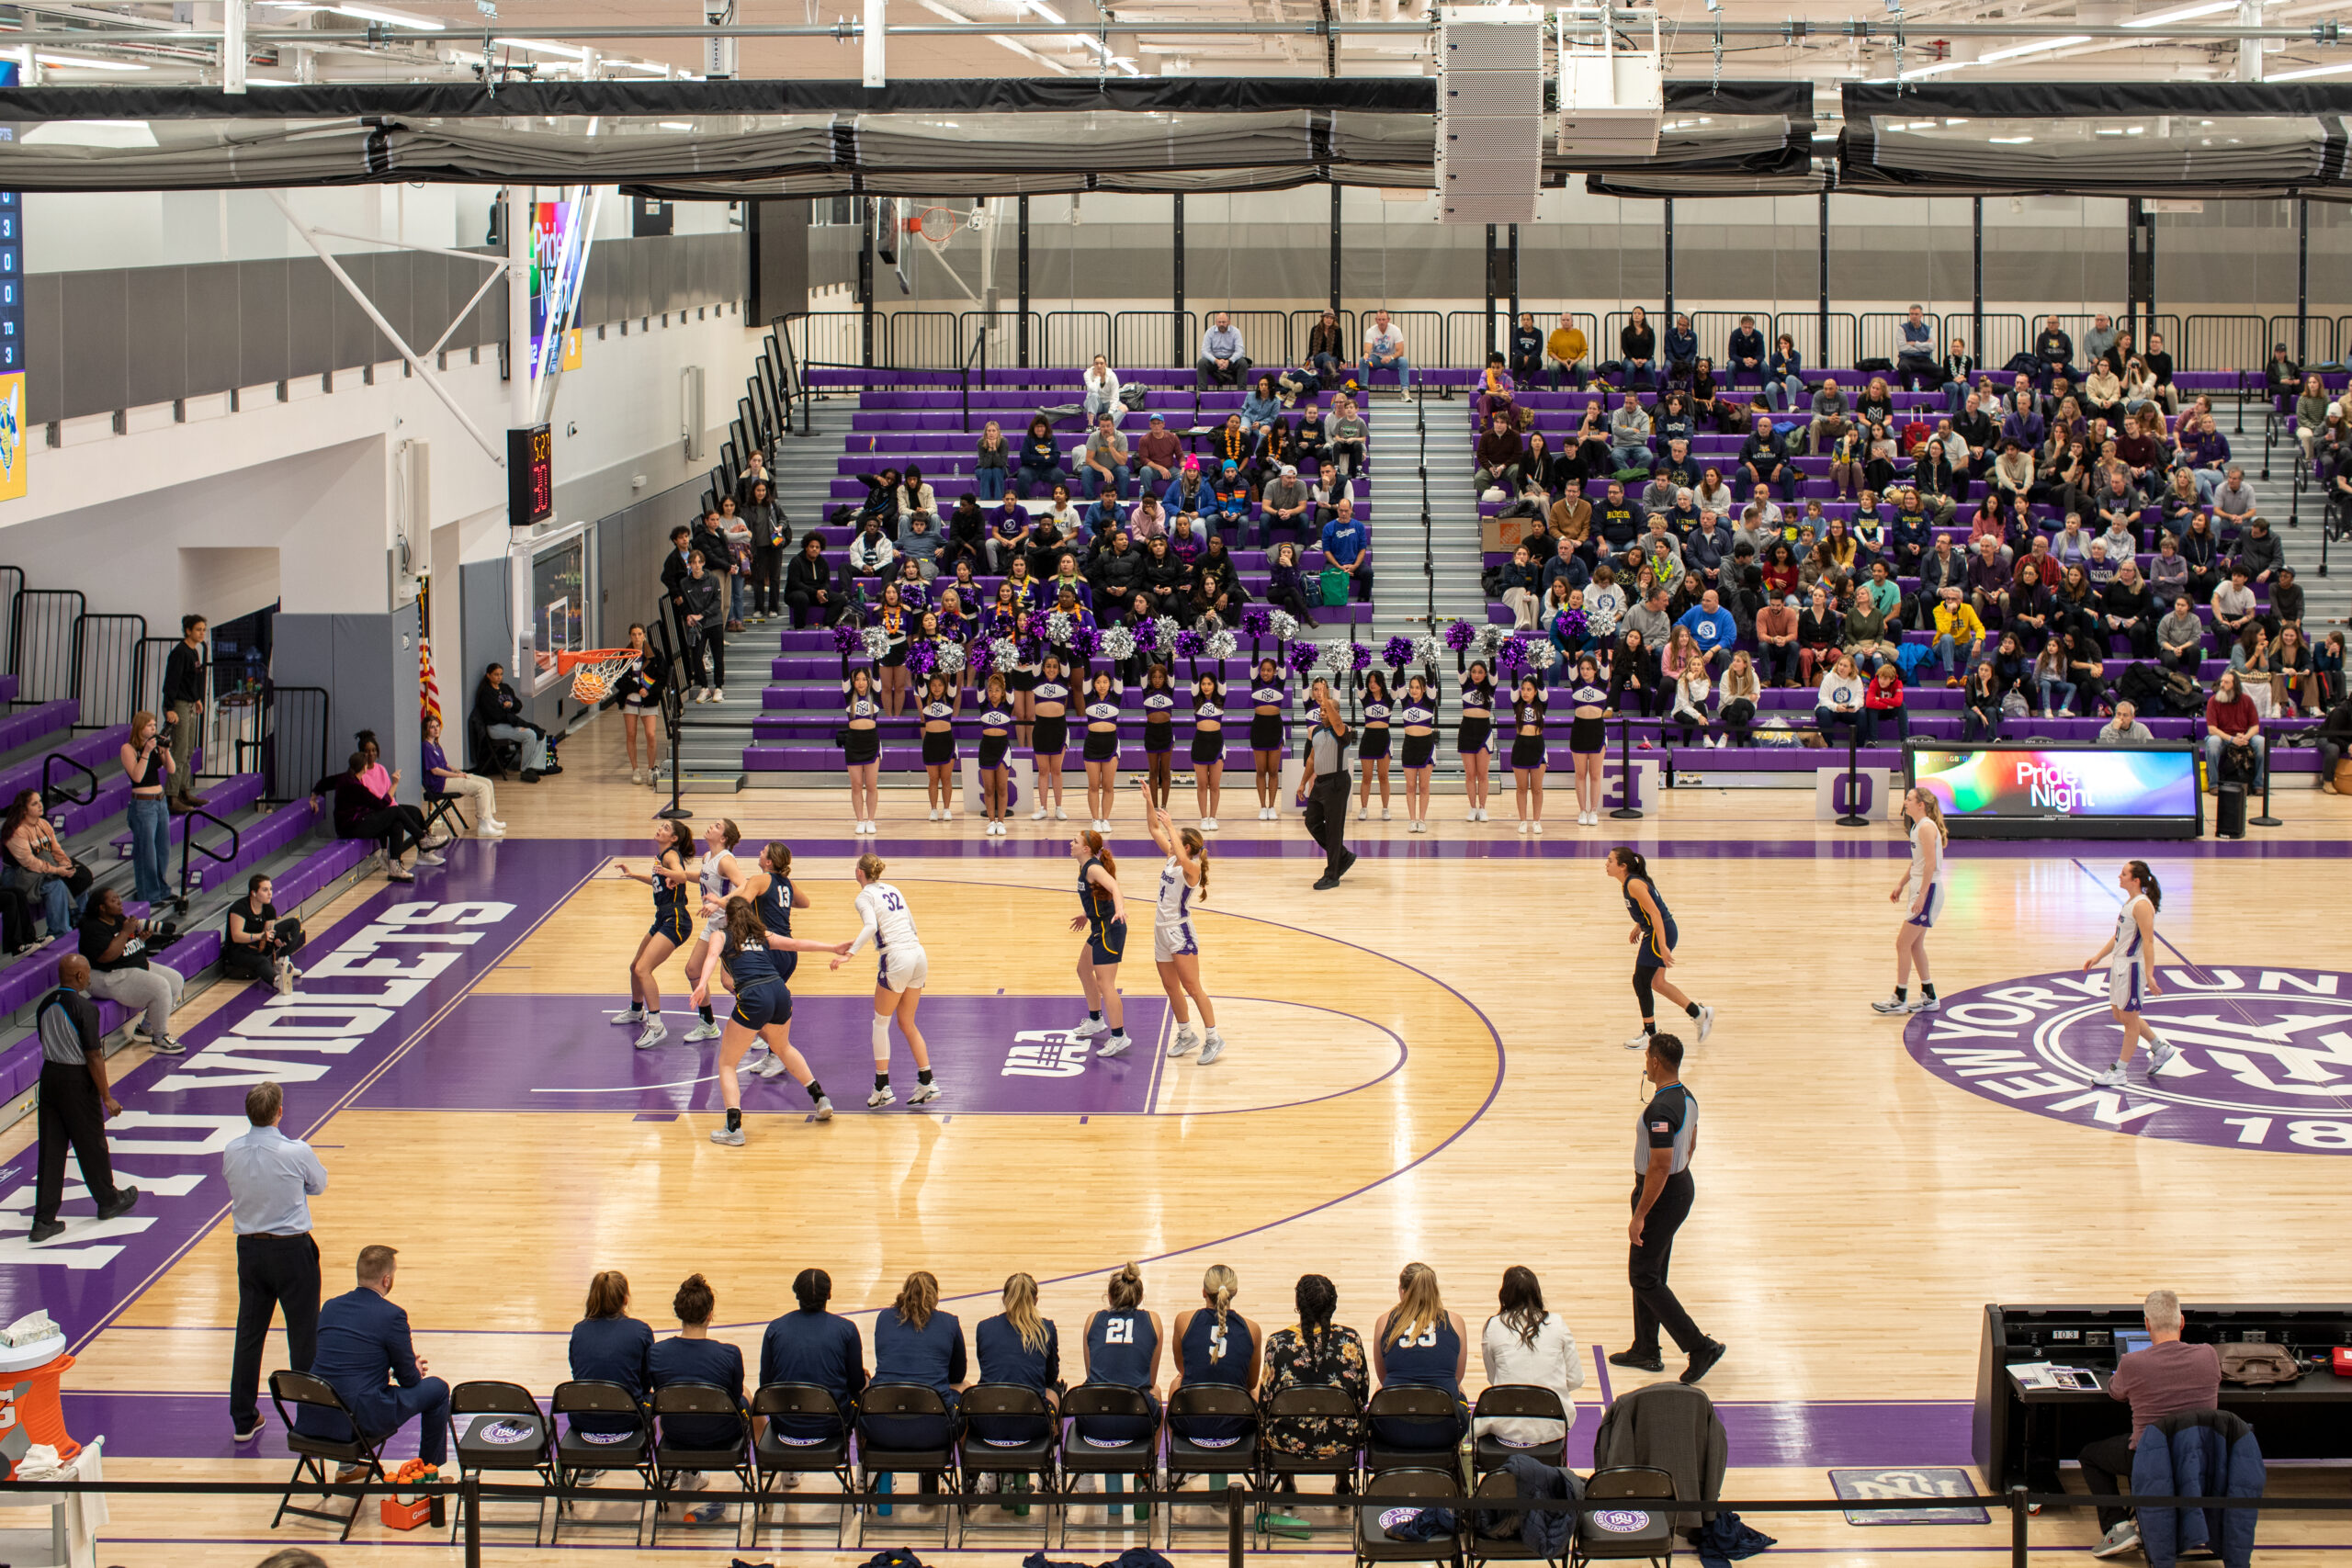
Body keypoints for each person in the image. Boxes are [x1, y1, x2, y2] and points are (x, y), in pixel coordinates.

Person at [1608, 1032, 1726, 1384]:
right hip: (1679, 1186)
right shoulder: (1686, 1097)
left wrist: (1641, 1214)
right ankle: (1646, 1348)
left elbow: (1660, 1165)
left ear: (1656, 1062)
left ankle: (1699, 1346)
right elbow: (1690, 1143)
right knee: (1653, 1273)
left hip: (1661, 1192)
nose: (1646, 1061)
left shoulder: (1660, 1109)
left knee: (1642, 1276)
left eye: (1648, 1056)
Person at [2080, 1288, 2224, 1560]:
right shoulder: (2208, 1355)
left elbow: (2115, 1392)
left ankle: (2118, 1526)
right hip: (2200, 1457)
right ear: (2182, 1321)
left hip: (2149, 1459)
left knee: (2089, 1455)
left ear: (2147, 1325)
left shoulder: (2132, 1362)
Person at [224, 1080, 325, 1441]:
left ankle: (243, 1418)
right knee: (303, 1337)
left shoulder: (231, 1150)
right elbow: (318, 1185)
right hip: (292, 1251)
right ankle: (312, 1420)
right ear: (280, 1112)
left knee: (249, 1335)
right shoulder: (296, 1151)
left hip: (249, 1251)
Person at [300, 1245, 450, 1478]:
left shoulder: (330, 1307)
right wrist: (412, 1367)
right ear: (387, 1279)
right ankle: (427, 1476)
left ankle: (347, 1467)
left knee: (347, 1386)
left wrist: (390, 1371)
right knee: (438, 1389)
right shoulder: (392, 1315)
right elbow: (409, 1380)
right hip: (358, 1419)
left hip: (313, 1415)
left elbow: (344, 1364)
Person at [705, 896, 839, 1146]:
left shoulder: (721, 934)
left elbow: (712, 956)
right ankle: (821, 1099)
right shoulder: (761, 934)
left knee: (726, 1063)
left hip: (755, 995)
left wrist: (701, 985)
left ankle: (733, 1128)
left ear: (728, 917)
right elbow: (796, 943)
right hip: (779, 992)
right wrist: (832, 948)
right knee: (783, 1047)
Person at [28, 954, 135, 1246]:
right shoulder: (84, 1008)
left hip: (49, 1077)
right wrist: (106, 1095)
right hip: (77, 1080)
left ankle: (44, 1220)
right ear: (77, 977)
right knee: (91, 1143)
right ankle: (108, 1200)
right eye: (86, 974)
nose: (89, 978)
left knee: (51, 1148)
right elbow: (93, 1055)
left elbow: (43, 1039)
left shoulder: (44, 1004)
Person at [834, 852, 941, 1108]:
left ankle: (882, 1087)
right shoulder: (893, 889)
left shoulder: (864, 897)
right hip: (917, 953)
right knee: (907, 1023)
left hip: (896, 957)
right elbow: (911, 925)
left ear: (859, 872)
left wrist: (850, 953)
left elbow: (871, 926)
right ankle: (927, 1081)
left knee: (881, 1023)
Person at [647, 1273, 747, 1522]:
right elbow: (734, 1399)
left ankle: (687, 1475)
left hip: (676, 1434)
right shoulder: (730, 1354)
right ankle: (771, 1470)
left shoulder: (656, 1353)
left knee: (667, 1400)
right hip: (721, 1436)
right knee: (746, 1395)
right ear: (710, 1314)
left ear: (679, 1312)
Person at [1607, 847, 1713, 1051]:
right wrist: (1639, 925)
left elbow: (1656, 914)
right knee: (1657, 982)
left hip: (1659, 932)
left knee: (1640, 980)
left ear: (1623, 866)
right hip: (1658, 930)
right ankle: (1699, 1014)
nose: (1606, 864)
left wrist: (1662, 945)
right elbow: (1651, 909)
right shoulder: (1630, 883)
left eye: (1610, 861)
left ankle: (1650, 1033)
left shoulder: (1634, 884)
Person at [2082, 860, 2177, 1088]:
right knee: (2120, 1015)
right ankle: (2159, 1047)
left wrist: (2150, 975)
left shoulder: (2142, 906)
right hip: (2120, 965)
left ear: (2135, 880)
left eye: (2124, 874)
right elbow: (2119, 937)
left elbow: (2149, 942)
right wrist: (2098, 956)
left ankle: (2120, 1071)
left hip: (2132, 967)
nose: (2119, 876)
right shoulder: (2131, 902)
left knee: (2130, 1020)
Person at [1144, 800, 1225, 1065]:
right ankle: (1186, 1034)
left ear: (1186, 847)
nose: (1169, 839)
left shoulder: (1192, 868)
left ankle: (1213, 1038)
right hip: (1160, 930)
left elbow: (1178, 851)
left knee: (1192, 986)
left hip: (1180, 932)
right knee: (1170, 986)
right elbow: (1153, 828)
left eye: (1174, 839)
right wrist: (1148, 801)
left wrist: (1172, 825)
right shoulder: (1172, 858)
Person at [610, 821, 695, 1049]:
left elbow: (682, 875)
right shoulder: (661, 859)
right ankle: (636, 1010)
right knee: (635, 966)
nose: (661, 829)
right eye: (662, 826)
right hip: (663, 917)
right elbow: (658, 881)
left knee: (643, 969)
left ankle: (656, 1026)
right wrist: (634, 875)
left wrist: (670, 872)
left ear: (674, 838)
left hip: (676, 919)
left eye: (667, 828)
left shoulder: (670, 856)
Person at [1478, 1266, 1584, 1451]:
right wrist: (1547, 1390)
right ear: (1537, 1293)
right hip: (1553, 1425)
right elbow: (1576, 1379)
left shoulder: (1493, 1326)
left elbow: (1493, 1379)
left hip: (1505, 1425)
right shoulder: (1557, 1323)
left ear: (1504, 1294)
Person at [1367, 1262, 1468, 1451]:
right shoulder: (1455, 1321)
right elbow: (1457, 1377)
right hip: (1446, 1429)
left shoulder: (1384, 1321)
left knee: (1381, 1387)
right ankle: (1455, 1460)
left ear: (1402, 1291)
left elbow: (1383, 1377)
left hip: (1392, 1429)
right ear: (1434, 1290)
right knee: (1457, 1387)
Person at [760, 1268, 867, 1445]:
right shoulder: (847, 1329)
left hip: (785, 1423)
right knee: (868, 1392)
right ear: (829, 1295)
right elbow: (856, 1384)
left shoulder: (775, 1329)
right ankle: (865, 1467)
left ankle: (787, 1469)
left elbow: (766, 1385)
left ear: (796, 1294)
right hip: (833, 1422)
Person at [80, 886, 185, 1055]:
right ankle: (160, 1038)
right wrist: (125, 932)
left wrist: (140, 940)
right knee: (160, 986)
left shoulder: (118, 918)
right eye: (113, 900)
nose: (119, 902)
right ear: (101, 907)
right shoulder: (92, 928)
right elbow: (107, 956)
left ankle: (146, 1029)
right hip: (107, 976)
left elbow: (127, 946)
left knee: (175, 980)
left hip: (131, 966)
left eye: (119, 898)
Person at [1872, 789, 1949, 1017]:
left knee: (1902, 944)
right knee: (1914, 945)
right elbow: (1917, 863)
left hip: (1928, 889)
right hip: (1920, 888)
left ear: (1921, 804)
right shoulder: (1917, 827)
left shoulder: (1926, 827)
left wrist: (1922, 895)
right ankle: (1929, 996)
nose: (1905, 802)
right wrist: (1901, 884)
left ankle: (1900, 997)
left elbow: (1930, 865)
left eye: (1909, 799)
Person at [1169, 1264, 1262, 1449]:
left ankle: (1177, 1464)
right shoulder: (1252, 1329)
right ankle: (1259, 1463)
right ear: (1234, 1292)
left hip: (1192, 1421)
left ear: (1203, 1292)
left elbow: (1183, 1369)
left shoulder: (1183, 1320)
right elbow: (1250, 1383)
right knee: (1257, 1388)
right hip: (1237, 1423)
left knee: (1176, 1383)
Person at [1075, 1263, 1164, 1448]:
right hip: (1136, 1419)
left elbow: (1092, 1374)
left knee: (1094, 1392)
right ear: (1140, 1298)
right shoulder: (1153, 1320)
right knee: (1156, 1391)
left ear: (1109, 1297)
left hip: (1094, 1420)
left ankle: (1084, 1475)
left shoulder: (1093, 1319)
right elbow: (1150, 1380)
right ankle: (1147, 1473)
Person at [972, 1272, 1058, 1453]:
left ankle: (985, 1473)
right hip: (1033, 1423)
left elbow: (986, 1371)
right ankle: (1052, 1467)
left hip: (989, 1423)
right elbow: (1050, 1377)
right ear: (1035, 1300)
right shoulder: (1046, 1328)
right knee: (1055, 1390)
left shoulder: (984, 1327)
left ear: (1004, 1299)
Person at [1065, 829, 1133, 1059]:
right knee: (1083, 970)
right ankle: (1095, 1020)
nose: (1070, 843)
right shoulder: (1085, 866)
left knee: (1106, 984)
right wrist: (1087, 913)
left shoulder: (1093, 868)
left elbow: (1114, 887)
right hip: (1098, 926)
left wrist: (1121, 909)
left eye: (1075, 841)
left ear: (1086, 849)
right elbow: (1098, 894)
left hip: (1110, 928)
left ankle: (1119, 1036)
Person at [568, 1270, 655, 1443]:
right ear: (625, 1299)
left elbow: (577, 1373)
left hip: (583, 1418)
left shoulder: (579, 1331)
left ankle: (585, 1463)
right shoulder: (640, 1330)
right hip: (629, 1418)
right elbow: (646, 1382)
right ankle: (665, 1466)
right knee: (659, 1399)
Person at [1303, 678, 1355, 891]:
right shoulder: (1315, 731)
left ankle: (1332, 874)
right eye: (1321, 710)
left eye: (1327, 710)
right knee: (1312, 822)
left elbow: (1336, 721)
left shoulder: (1343, 732)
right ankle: (1342, 855)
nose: (1322, 712)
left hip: (1337, 783)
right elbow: (1312, 759)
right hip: (1320, 782)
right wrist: (1302, 783)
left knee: (1334, 830)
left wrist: (1326, 699)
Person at [119, 709, 175, 904]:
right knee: (147, 852)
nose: (154, 728)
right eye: (150, 725)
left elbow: (171, 769)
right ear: (140, 728)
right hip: (143, 805)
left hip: (160, 801)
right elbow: (137, 776)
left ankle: (162, 889)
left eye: (154, 725)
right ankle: (149, 894)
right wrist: (147, 751)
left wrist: (165, 751)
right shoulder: (128, 748)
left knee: (163, 848)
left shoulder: (155, 745)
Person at [420, 713, 503, 837]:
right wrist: (455, 776)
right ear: (426, 730)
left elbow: (445, 765)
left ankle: (489, 817)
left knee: (487, 783)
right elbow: (435, 771)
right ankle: (483, 824)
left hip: (448, 778)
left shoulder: (436, 745)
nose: (436, 729)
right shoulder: (426, 747)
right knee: (481, 788)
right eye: (432, 727)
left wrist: (458, 771)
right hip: (440, 784)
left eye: (437, 726)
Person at [162, 613, 212, 813]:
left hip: (191, 703)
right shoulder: (179, 653)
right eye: (198, 629)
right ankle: (172, 796)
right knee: (180, 751)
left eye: (204, 630)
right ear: (188, 630)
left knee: (189, 750)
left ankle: (184, 791)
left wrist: (197, 699)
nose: (201, 633)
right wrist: (170, 708)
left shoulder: (195, 652)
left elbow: (192, 680)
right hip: (179, 705)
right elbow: (171, 682)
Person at [222, 873, 305, 992]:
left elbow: (269, 933)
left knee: (294, 924)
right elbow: (236, 936)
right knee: (261, 961)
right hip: (239, 949)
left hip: (258, 944)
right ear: (254, 893)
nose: (270, 893)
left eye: (270, 889)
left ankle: (282, 962)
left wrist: (274, 940)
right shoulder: (239, 908)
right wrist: (261, 936)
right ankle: (277, 982)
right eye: (265, 890)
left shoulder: (269, 908)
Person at [2203, 669, 2266, 792]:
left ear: (2235, 685)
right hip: (2222, 736)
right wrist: (2232, 739)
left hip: (2243, 736)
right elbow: (2212, 729)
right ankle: (2213, 784)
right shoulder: (2213, 701)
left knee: (2261, 742)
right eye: (2221, 682)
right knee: (2213, 742)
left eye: (2226, 683)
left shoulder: (2246, 700)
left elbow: (2255, 727)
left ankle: (2258, 784)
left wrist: (2245, 737)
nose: (2222, 685)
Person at [1507, 674, 1549, 834]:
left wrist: (1539, 666)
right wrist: (1514, 664)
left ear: (1535, 691)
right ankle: (1523, 820)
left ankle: (1536, 821)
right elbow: (1513, 685)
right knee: (1521, 788)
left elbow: (1543, 688)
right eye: (1523, 689)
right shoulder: (1517, 705)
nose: (1525, 692)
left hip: (1537, 747)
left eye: (1529, 689)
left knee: (1537, 789)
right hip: (1520, 747)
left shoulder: (1542, 705)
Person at [1319, 496, 1373, 603]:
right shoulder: (1328, 527)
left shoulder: (1359, 526)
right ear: (1337, 510)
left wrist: (1355, 566)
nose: (1343, 514)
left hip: (1354, 563)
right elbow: (1326, 551)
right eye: (1341, 511)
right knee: (1327, 572)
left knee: (1368, 573)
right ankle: (1333, 599)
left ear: (1351, 510)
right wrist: (1339, 567)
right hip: (1336, 563)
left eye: (1346, 511)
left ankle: (1363, 600)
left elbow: (1362, 549)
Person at [1360, 310, 1410, 391]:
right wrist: (1366, 354)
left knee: (1403, 361)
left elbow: (1400, 351)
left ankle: (1405, 389)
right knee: (1363, 360)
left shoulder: (1395, 330)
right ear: (1376, 320)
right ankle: (1363, 388)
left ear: (1388, 320)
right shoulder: (1370, 331)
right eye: (1379, 320)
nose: (1381, 322)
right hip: (1375, 359)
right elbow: (1367, 348)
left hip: (1391, 360)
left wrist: (1391, 357)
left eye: (1383, 319)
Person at [1197, 311, 1250, 389]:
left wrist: (1229, 361)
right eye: (1219, 322)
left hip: (1231, 361)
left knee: (1243, 363)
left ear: (1229, 322)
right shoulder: (1209, 332)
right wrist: (1216, 361)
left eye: (1224, 322)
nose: (1221, 324)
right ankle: (1202, 392)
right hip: (1214, 361)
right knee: (1202, 363)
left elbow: (1240, 351)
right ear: (1216, 322)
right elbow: (1204, 351)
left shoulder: (1236, 332)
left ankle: (1241, 392)